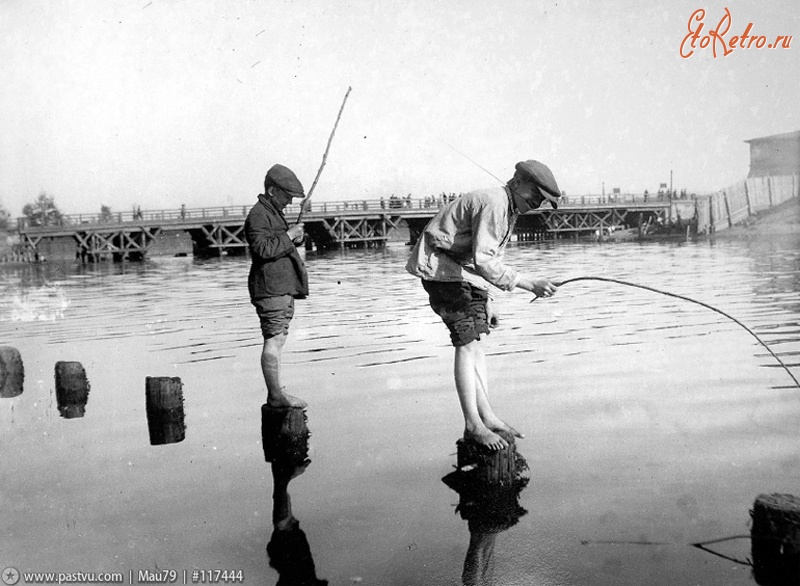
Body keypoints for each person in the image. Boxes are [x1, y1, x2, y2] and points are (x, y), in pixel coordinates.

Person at [406, 160, 561, 451]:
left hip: (459, 271)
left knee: (476, 343)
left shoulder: (506, 206)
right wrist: (530, 284)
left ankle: (487, 417)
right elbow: (485, 262)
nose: (537, 203)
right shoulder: (494, 203)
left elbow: (484, 259)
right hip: (441, 270)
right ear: (517, 183)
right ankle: (473, 425)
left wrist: (486, 299)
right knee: (466, 343)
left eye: (541, 201)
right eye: (535, 196)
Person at [245, 163, 308, 408]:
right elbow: (262, 249)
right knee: (273, 339)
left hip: (280, 287)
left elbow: (276, 244)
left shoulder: (270, 212)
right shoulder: (259, 214)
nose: (290, 202)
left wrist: (295, 238)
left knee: (278, 338)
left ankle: (276, 393)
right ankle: (275, 396)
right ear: (272, 191)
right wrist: (289, 236)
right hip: (271, 289)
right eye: (286, 196)